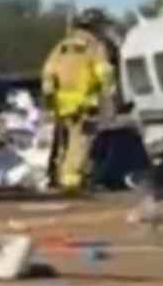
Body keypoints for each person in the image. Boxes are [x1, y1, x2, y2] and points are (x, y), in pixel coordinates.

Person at [41, 10, 114, 192]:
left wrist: (49, 94)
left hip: (62, 103)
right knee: (79, 142)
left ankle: (57, 176)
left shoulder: (62, 46)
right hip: (85, 103)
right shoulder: (95, 46)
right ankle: (71, 182)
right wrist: (110, 91)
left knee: (62, 142)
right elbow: (103, 72)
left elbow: (48, 70)